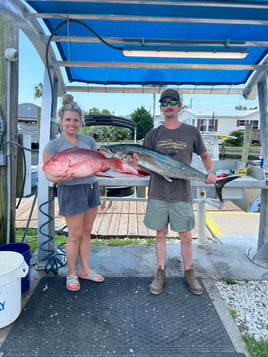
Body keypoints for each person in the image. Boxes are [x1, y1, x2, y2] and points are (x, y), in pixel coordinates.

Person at [135, 88, 216, 295]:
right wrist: (135, 162)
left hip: (181, 193)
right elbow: (146, 167)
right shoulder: (153, 135)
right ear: (160, 107)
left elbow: (205, 156)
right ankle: (160, 271)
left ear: (180, 105)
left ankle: (189, 271)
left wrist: (211, 172)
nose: (168, 106)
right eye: (164, 103)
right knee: (160, 234)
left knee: (186, 236)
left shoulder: (192, 132)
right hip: (158, 192)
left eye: (172, 102)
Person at [43, 94, 104, 291]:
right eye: (68, 119)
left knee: (87, 232)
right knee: (74, 235)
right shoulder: (54, 145)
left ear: (80, 122)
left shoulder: (89, 141)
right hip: (70, 191)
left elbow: (97, 163)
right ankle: (71, 273)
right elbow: (48, 173)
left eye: (75, 120)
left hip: (91, 188)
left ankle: (85, 270)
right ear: (61, 121)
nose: (72, 123)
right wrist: (58, 179)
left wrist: (102, 167)